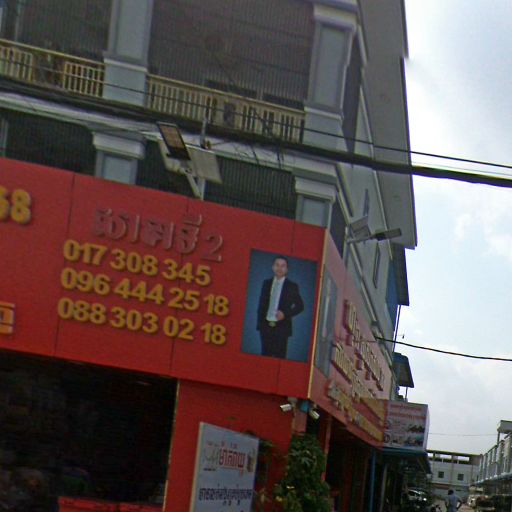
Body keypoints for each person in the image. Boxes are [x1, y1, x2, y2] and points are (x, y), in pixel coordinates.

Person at [257, 256, 304, 358]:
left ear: (287, 269)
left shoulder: (291, 286)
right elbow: (261, 304)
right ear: (273, 267)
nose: (279, 268)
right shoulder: (266, 283)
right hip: (266, 326)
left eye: (283, 266)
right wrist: (260, 325)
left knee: (279, 358)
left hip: (282, 328)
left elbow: (300, 306)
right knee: (265, 357)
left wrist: (285, 314)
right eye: (277, 265)